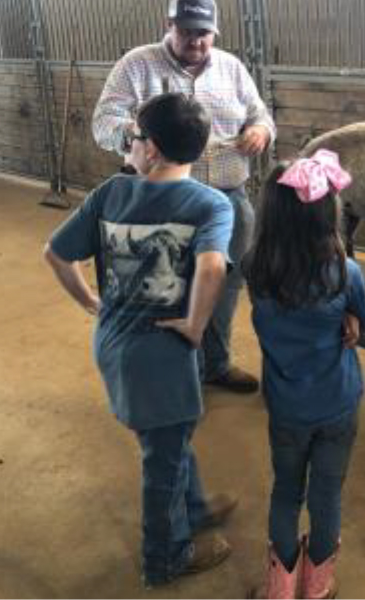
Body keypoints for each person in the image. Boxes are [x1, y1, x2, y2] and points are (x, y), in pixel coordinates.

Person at [44, 93, 239, 588]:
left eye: (132, 138)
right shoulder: (210, 203)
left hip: (113, 346)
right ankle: (165, 557)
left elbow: (56, 254)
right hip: (161, 357)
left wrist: (91, 303)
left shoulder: (111, 192)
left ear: (151, 149)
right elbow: (213, 266)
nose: (128, 146)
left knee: (167, 437)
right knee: (162, 460)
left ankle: (193, 509)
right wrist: (195, 326)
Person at [93, 0, 276, 394]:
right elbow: (103, 121)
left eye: (205, 33)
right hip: (161, 203)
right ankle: (175, 376)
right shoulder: (136, 65)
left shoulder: (231, 67)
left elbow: (259, 111)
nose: (196, 41)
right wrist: (141, 137)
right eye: (188, 31)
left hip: (228, 199)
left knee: (224, 285)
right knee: (166, 287)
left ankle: (216, 364)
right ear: (169, 25)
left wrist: (260, 130)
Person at [242, 150, 365, 599]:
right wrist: (352, 323)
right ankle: (318, 587)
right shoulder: (346, 272)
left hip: (285, 407)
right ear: (328, 214)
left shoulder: (255, 269)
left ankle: (279, 590)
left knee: (286, 492)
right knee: (326, 496)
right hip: (338, 403)